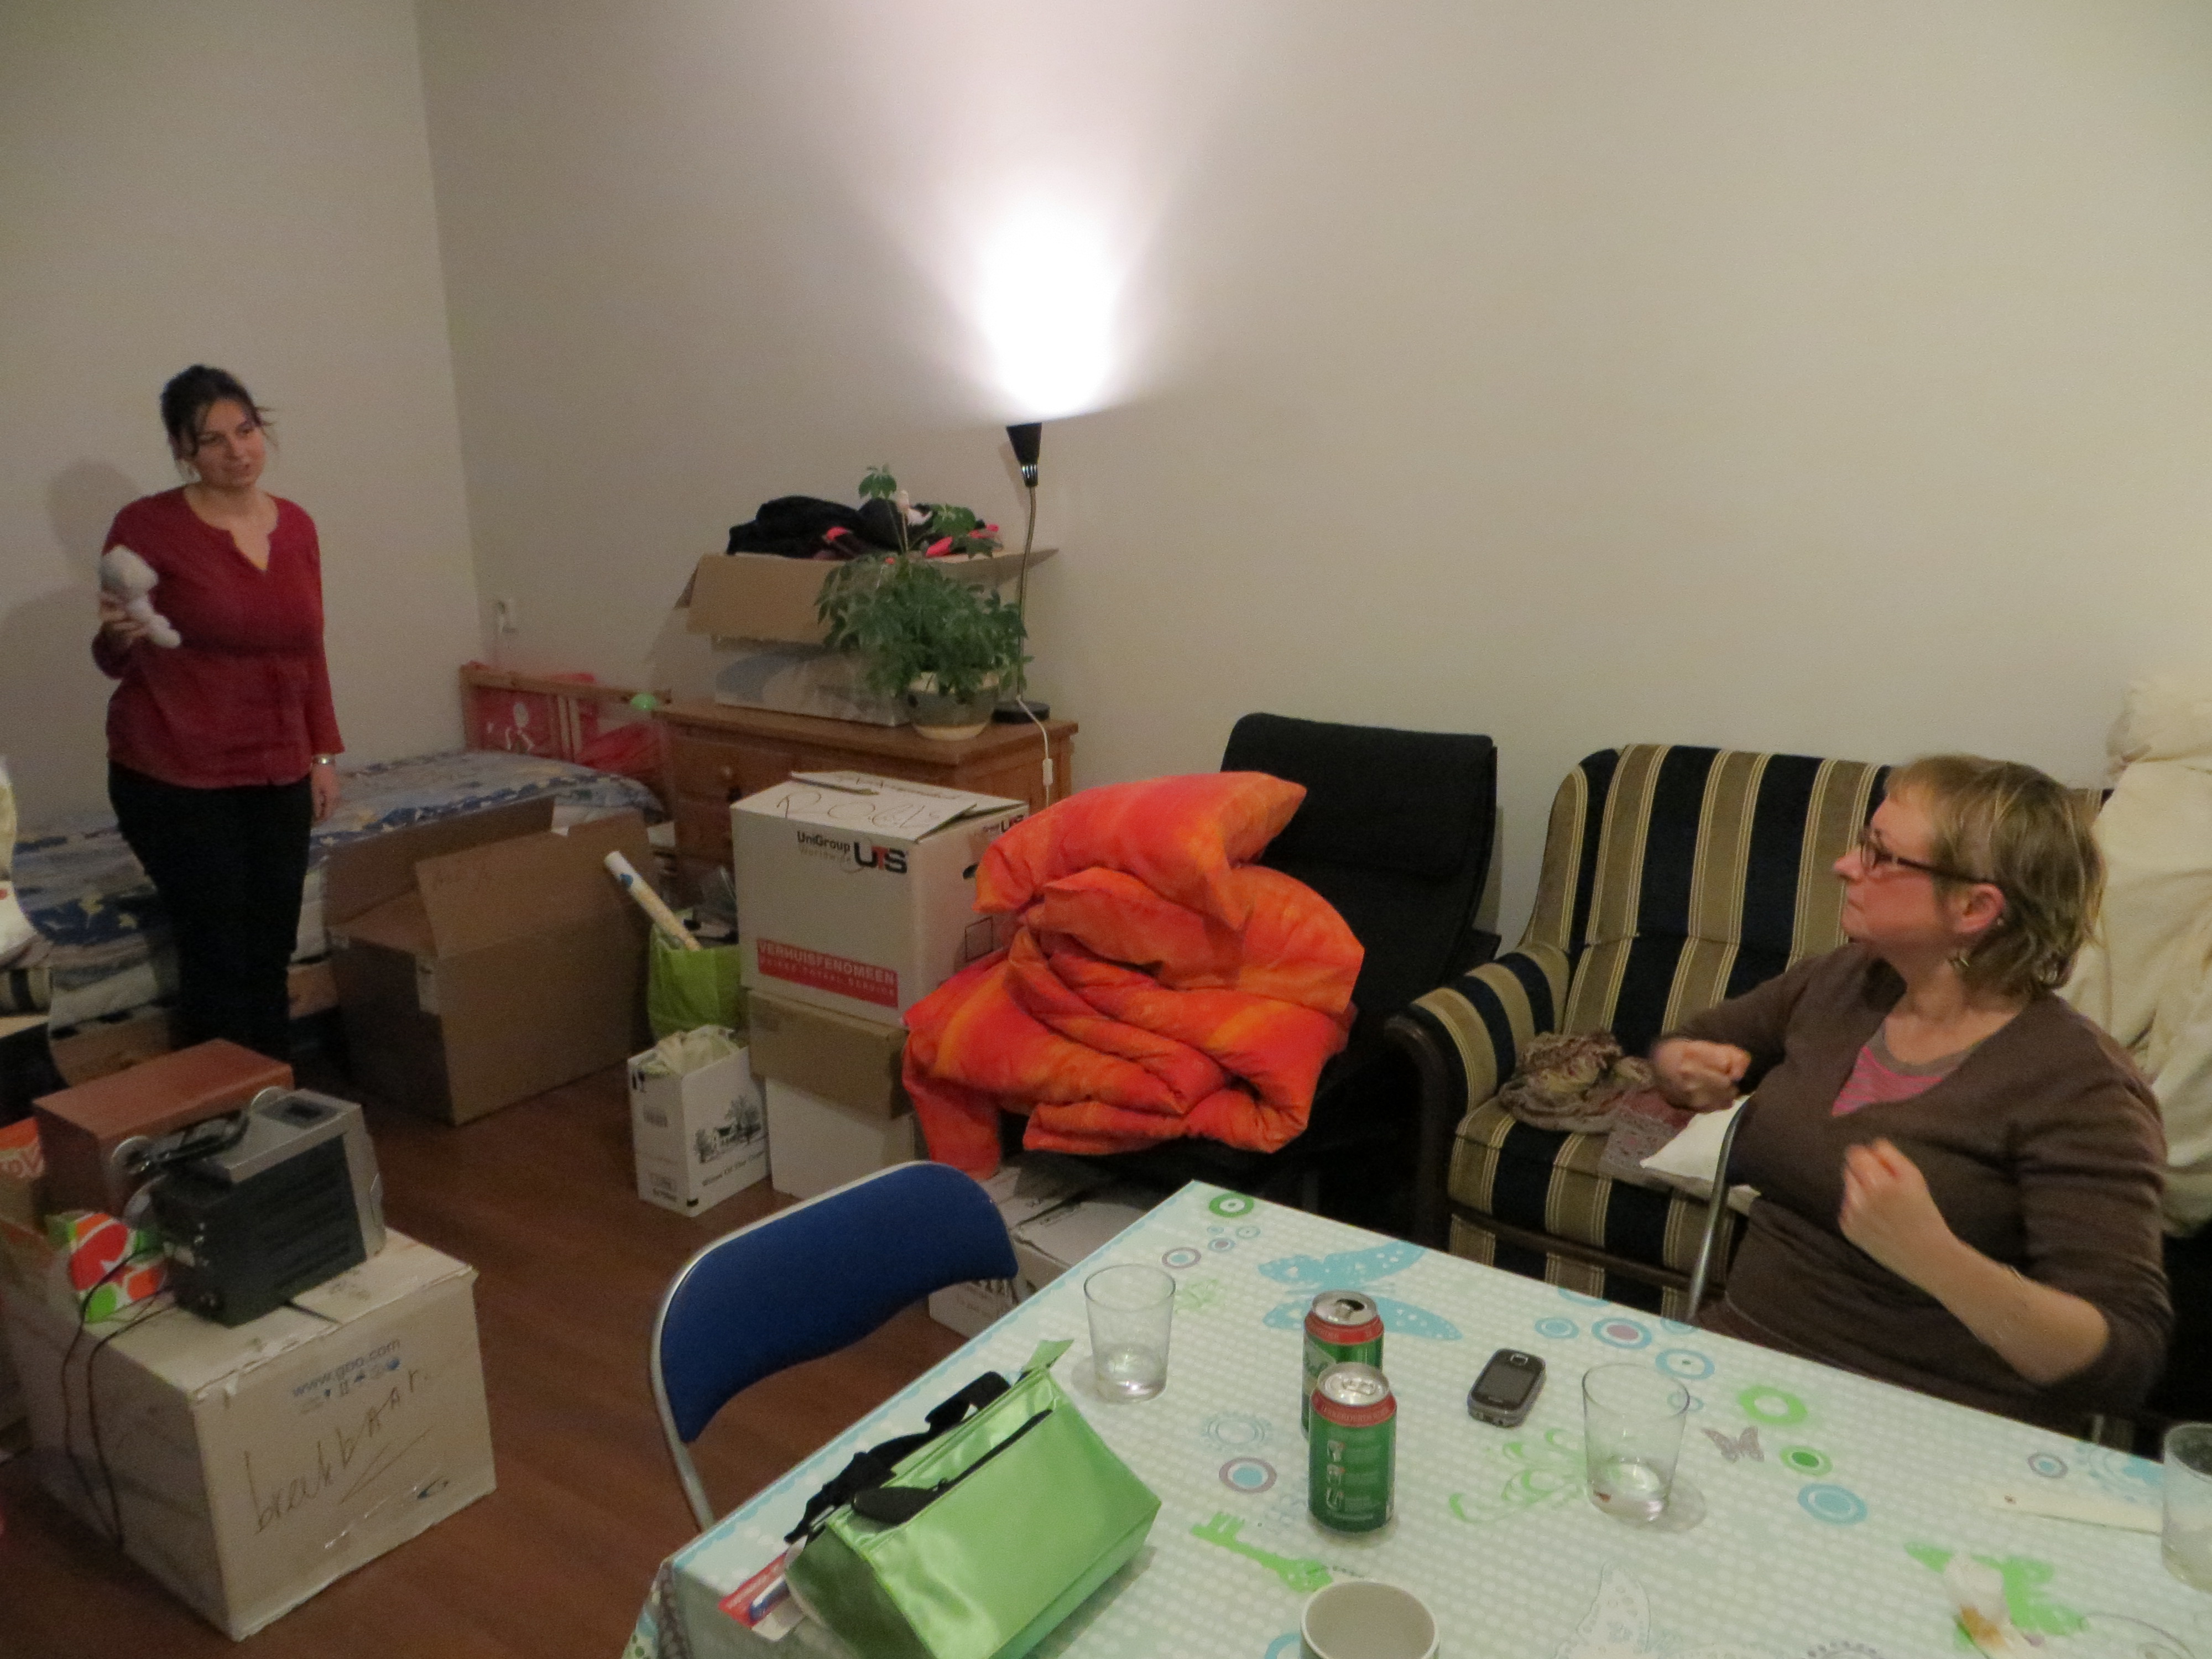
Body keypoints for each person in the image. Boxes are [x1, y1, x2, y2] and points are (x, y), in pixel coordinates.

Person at [1652, 754, 2169, 1430]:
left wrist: (1937, 1259)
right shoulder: (1843, 982)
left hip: (1930, 1424)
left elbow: (2124, 1361)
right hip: (1745, 1367)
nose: (1845, 866)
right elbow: (1690, 1045)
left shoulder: (2080, 1088)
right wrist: (1681, 1067)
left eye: (1880, 855)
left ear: (1974, 907)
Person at [93, 366, 343, 1061]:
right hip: (173, 772)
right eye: (213, 440)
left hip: (277, 769)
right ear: (183, 449)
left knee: (270, 947)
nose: (237, 451)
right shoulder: (145, 526)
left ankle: (272, 1096)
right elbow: (112, 656)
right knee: (219, 951)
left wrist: (322, 754)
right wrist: (118, 636)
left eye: (246, 430)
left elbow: (307, 647)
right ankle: (220, 1107)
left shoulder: (296, 526)